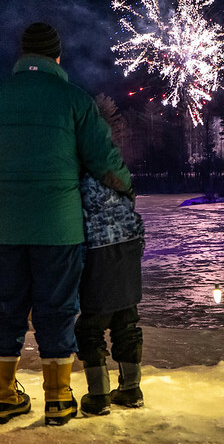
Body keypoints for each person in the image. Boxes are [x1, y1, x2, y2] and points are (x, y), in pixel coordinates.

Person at [0, 22, 132, 427]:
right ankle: (59, 400)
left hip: (3, 230)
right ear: (57, 57)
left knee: (4, 312)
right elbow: (105, 162)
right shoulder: (75, 100)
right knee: (57, 311)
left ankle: (1, 397)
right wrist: (126, 188)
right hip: (59, 231)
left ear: (22, 56)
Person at [74, 173, 144, 416]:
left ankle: (99, 395)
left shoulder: (79, 201)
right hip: (127, 268)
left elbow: (78, 247)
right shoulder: (121, 198)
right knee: (126, 325)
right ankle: (131, 389)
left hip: (98, 269)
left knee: (89, 330)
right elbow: (139, 230)